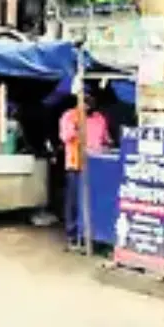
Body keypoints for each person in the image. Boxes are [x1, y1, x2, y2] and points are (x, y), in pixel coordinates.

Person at [58, 90, 111, 248]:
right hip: (76, 164)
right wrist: (77, 127)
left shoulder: (99, 118)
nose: (88, 104)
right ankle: (72, 234)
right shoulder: (70, 116)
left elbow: (105, 139)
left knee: (92, 200)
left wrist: (108, 144)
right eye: (85, 101)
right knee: (74, 201)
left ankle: (91, 234)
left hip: (95, 165)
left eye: (91, 101)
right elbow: (65, 137)